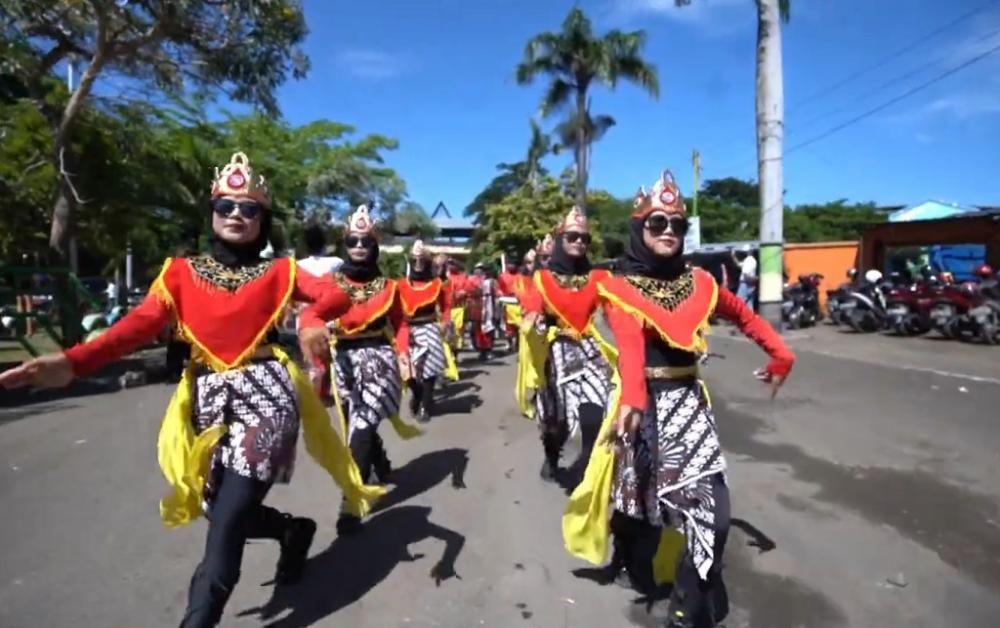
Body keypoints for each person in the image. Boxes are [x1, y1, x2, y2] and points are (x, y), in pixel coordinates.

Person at [0, 152, 384, 628]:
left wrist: (309, 318)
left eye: (250, 209)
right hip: (205, 403)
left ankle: (198, 620)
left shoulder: (281, 272)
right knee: (219, 510)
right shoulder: (178, 273)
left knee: (226, 523)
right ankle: (291, 530)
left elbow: (337, 293)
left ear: (264, 220)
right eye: (226, 207)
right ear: (211, 214)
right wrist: (73, 363)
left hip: (266, 397)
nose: (237, 216)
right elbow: (134, 328)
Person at [564, 170, 795, 628]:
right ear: (638, 229)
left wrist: (781, 354)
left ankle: (685, 610)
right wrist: (631, 396)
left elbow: (745, 315)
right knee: (639, 503)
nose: (668, 231)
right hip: (642, 407)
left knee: (715, 515)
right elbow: (629, 343)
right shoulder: (620, 286)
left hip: (688, 405)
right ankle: (629, 555)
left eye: (676, 225)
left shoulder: (700, 283)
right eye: (657, 224)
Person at [325, 204, 420, 535]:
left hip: (378, 360)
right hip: (342, 360)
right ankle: (380, 464)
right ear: (345, 244)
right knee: (355, 425)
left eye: (366, 242)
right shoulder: (330, 283)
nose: (359, 248)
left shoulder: (389, 286)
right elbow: (312, 318)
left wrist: (404, 354)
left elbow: (400, 323)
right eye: (353, 241)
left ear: (375, 246)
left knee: (361, 430)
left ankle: (351, 503)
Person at [520, 206, 614, 486]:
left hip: (591, 352)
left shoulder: (600, 277)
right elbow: (534, 305)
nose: (579, 242)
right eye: (573, 236)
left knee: (594, 416)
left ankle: (586, 468)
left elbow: (615, 311)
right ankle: (551, 455)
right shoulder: (542, 278)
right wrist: (533, 318)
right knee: (555, 424)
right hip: (556, 354)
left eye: (584, 238)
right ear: (561, 239)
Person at [398, 240, 455, 423]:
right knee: (409, 372)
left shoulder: (437, 284)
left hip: (429, 327)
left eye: (422, 260)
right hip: (408, 330)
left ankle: (425, 405)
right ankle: (417, 394)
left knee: (429, 371)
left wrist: (446, 323)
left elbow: (446, 307)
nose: (418, 264)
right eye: (415, 260)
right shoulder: (400, 285)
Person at [734, 244, 757, 309]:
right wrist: (734, 257)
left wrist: (750, 280)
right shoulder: (753, 260)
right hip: (751, 285)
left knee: (738, 302)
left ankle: (737, 317)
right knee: (749, 304)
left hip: (745, 284)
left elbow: (745, 273)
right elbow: (739, 265)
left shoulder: (748, 260)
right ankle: (750, 318)